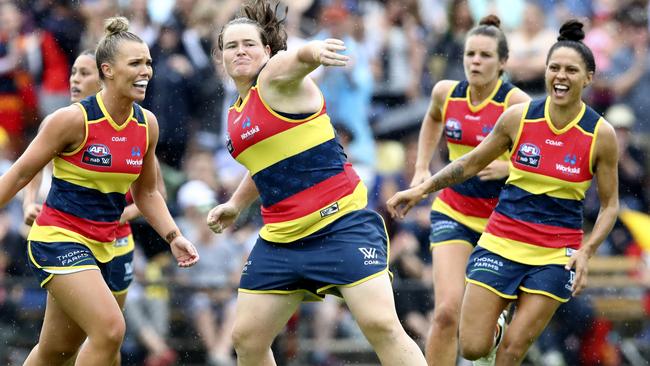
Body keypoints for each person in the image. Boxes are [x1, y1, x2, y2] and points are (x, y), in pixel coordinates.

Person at [387, 19, 619, 366]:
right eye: (554, 67)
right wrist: (421, 185)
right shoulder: (518, 117)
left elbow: (610, 205)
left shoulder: (601, 134)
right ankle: (494, 324)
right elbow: (469, 163)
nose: (560, 76)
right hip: (500, 236)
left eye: (571, 70)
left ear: (588, 78)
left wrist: (586, 252)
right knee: (471, 345)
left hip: (556, 251)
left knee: (511, 350)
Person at [206, 1, 426, 365]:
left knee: (382, 326)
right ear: (221, 58)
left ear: (267, 50)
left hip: (340, 223)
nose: (240, 51)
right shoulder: (236, 111)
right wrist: (235, 204)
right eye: (231, 46)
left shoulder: (274, 76)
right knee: (247, 339)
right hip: (282, 237)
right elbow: (266, 164)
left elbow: (297, 59)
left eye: (248, 43)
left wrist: (314, 52)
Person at [0, 17, 199, 365]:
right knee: (110, 330)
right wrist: (28, 202)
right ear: (107, 70)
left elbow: (149, 193)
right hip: (59, 238)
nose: (146, 71)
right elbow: (19, 174)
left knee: (55, 351)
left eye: (148, 62)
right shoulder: (72, 120)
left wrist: (173, 235)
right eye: (135, 63)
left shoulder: (146, 123)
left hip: (106, 245)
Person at [410, 15, 529, 366]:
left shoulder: (516, 102)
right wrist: (421, 166)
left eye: (486, 55)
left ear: (503, 63)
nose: (475, 61)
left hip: (502, 223)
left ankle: (495, 335)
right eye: (470, 54)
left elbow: (544, 154)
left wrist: (509, 166)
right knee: (446, 311)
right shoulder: (446, 93)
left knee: (477, 332)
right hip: (453, 211)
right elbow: (432, 117)